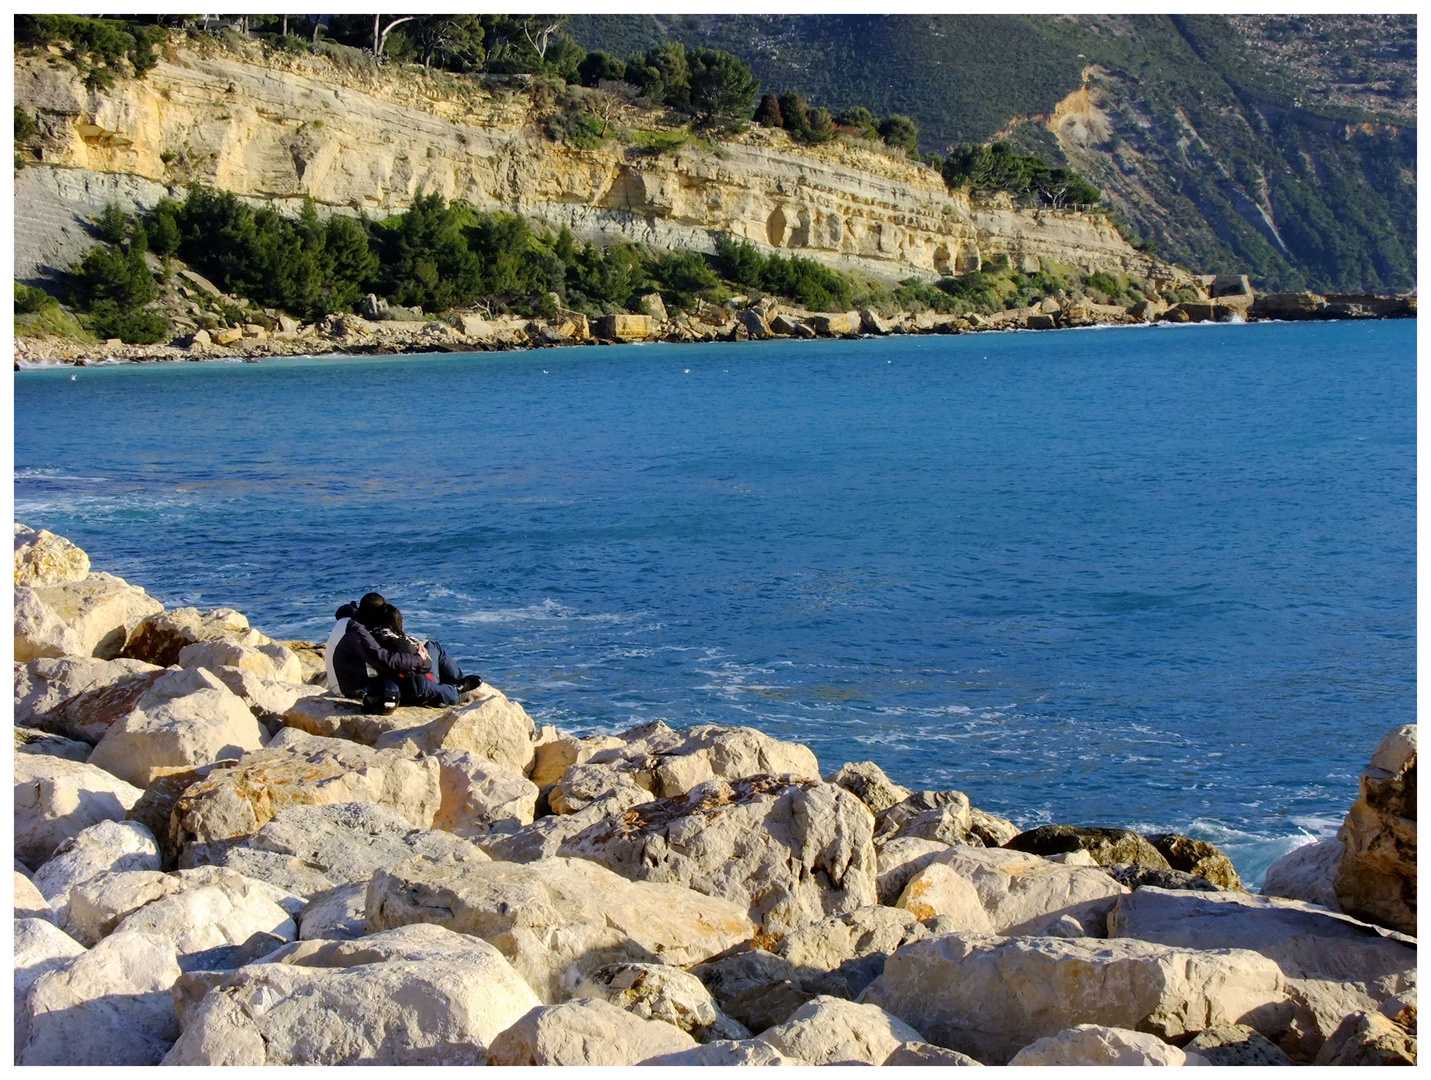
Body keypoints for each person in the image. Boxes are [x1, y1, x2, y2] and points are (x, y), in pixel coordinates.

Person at [327, 592, 480, 712]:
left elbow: (349, 609)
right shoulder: (357, 632)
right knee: (421, 683)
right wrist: (421, 660)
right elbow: (386, 660)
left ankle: (458, 681)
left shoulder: (349, 622)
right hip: (353, 689)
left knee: (432, 647)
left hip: (348, 681)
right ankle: (457, 690)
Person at [369, 603, 482, 708]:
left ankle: (456, 682)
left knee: (430, 645)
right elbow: (426, 665)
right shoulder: (401, 645)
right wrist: (422, 656)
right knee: (434, 646)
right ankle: (460, 684)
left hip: (399, 684)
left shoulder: (370, 640)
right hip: (421, 684)